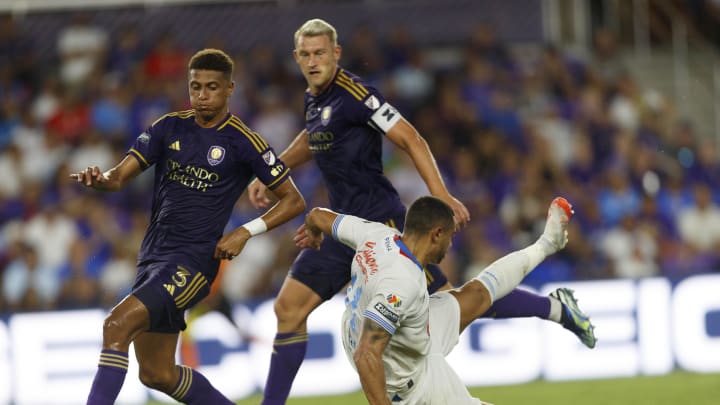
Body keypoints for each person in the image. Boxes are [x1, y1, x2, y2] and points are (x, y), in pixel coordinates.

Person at [248, 18, 595, 404]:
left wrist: (441, 194)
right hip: (342, 226)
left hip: (382, 225)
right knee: (289, 310)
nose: (314, 61)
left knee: (460, 305)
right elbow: (315, 137)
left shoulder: (357, 95)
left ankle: (556, 310)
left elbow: (409, 137)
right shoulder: (316, 97)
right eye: (307, 55)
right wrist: (274, 169)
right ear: (297, 58)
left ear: (336, 53)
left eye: (321, 53)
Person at [71, 48, 305, 405]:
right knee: (156, 373)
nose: (202, 95)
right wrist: (100, 179)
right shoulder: (168, 127)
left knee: (115, 325)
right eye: (195, 86)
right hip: (153, 260)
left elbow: (293, 200)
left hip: (193, 263)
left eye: (212, 87)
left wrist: (245, 231)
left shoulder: (244, 141)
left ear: (230, 88)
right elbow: (118, 177)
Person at [297, 196, 576, 404]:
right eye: (451, 237)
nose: (451, 245)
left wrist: (313, 230)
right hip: (413, 383)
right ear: (436, 234)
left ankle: (546, 244)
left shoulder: (377, 234)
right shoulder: (402, 283)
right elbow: (366, 354)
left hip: (405, 333)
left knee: (476, 295)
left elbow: (319, 214)